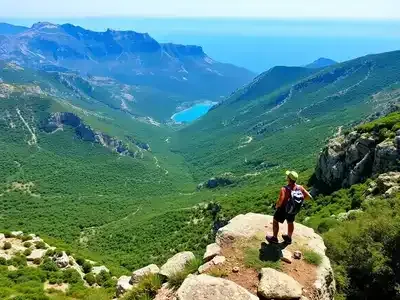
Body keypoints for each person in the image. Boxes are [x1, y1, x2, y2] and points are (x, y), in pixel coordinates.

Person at [266, 170, 312, 244]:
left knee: (275, 220)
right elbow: (309, 197)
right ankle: (289, 238)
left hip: (283, 209)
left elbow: (281, 200)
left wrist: (277, 206)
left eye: (287, 176)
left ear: (288, 179)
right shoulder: (300, 187)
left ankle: (274, 238)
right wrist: (298, 200)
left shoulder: (284, 189)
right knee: (290, 222)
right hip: (293, 208)